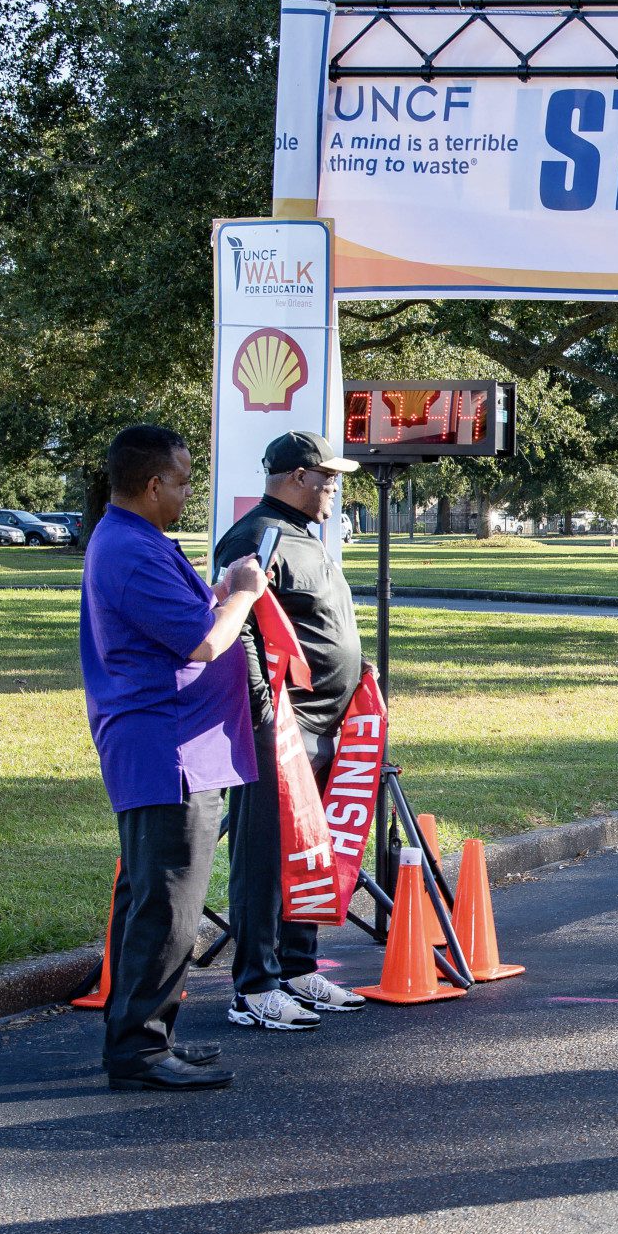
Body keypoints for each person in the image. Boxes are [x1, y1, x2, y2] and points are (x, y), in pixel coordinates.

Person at [80, 425, 265, 1090]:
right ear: (153, 484)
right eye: (184, 481)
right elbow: (201, 645)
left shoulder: (136, 541)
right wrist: (242, 592)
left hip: (174, 743)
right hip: (167, 747)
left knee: (152, 897)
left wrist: (216, 593)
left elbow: (183, 621)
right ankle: (141, 1049)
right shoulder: (130, 550)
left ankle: (140, 1036)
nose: (189, 492)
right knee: (168, 905)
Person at [215, 431, 373, 1029]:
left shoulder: (308, 537)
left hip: (328, 720)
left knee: (310, 848)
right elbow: (240, 620)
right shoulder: (258, 535)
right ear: (293, 477)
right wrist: (260, 703)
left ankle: (298, 967)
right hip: (280, 724)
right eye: (325, 476)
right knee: (262, 855)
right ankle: (254, 987)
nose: (334, 486)